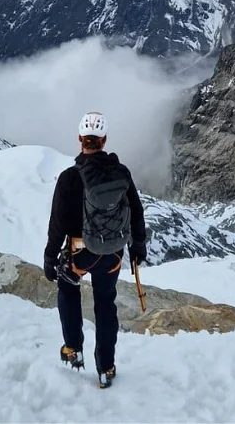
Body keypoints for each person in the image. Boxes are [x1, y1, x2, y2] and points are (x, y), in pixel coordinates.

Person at [43, 111, 147, 389]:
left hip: (79, 253)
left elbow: (58, 223)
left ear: (81, 140)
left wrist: (50, 256)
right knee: (105, 304)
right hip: (112, 253)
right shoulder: (121, 173)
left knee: (68, 288)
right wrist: (138, 246)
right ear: (104, 140)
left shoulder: (69, 178)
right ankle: (106, 367)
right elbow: (136, 212)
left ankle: (73, 348)